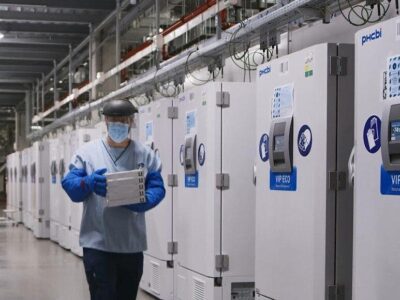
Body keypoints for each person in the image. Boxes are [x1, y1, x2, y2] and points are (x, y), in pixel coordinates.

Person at [61, 99, 165, 300]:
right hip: (98, 245)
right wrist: (88, 182)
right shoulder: (87, 153)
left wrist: (144, 200)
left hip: (131, 246)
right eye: (114, 119)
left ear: (131, 122)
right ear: (106, 121)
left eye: (123, 120)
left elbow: (157, 187)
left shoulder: (145, 155)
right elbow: (70, 185)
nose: (118, 124)